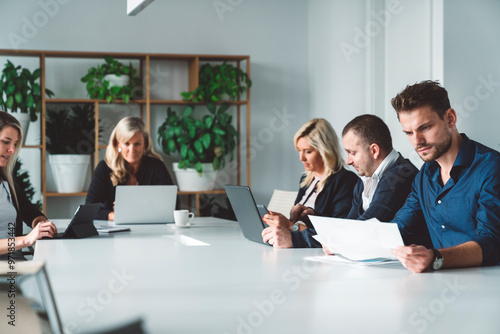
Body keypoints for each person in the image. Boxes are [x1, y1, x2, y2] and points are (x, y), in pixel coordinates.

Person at [389, 80, 500, 273]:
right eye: (409, 132)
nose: (417, 141)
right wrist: (346, 243)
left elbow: (491, 241)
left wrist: (436, 258)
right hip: (438, 284)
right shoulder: (424, 175)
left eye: (424, 128)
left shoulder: (490, 166)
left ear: (450, 118)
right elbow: (399, 228)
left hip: (487, 287)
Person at [307, 114, 420, 249]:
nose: (348, 161)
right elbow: (349, 225)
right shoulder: (365, 179)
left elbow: (364, 228)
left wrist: (295, 237)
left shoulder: (401, 175)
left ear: (374, 150)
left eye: (352, 153)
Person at [261, 118, 358, 248]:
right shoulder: (306, 179)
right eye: (299, 151)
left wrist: (289, 225)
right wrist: (284, 221)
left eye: (308, 151)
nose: (301, 158)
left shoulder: (346, 180)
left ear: (325, 150)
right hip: (297, 248)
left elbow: (339, 230)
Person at [85, 116, 175, 220]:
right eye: (126, 143)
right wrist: (115, 215)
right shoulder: (104, 168)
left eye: (137, 144)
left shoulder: (156, 167)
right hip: (113, 231)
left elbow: (173, 205)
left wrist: (134, 210)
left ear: (144, 143)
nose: (132, 150)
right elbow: (89, 208)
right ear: (117, 143)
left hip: (150, 228)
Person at [0, 111, 57, 260]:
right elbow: (26, 240)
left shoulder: (6, 181)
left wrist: (41, 225)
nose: (12, 150)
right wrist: (26, 240)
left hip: (14, 264)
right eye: (6, 142)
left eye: (15, 144)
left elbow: (29, 211)